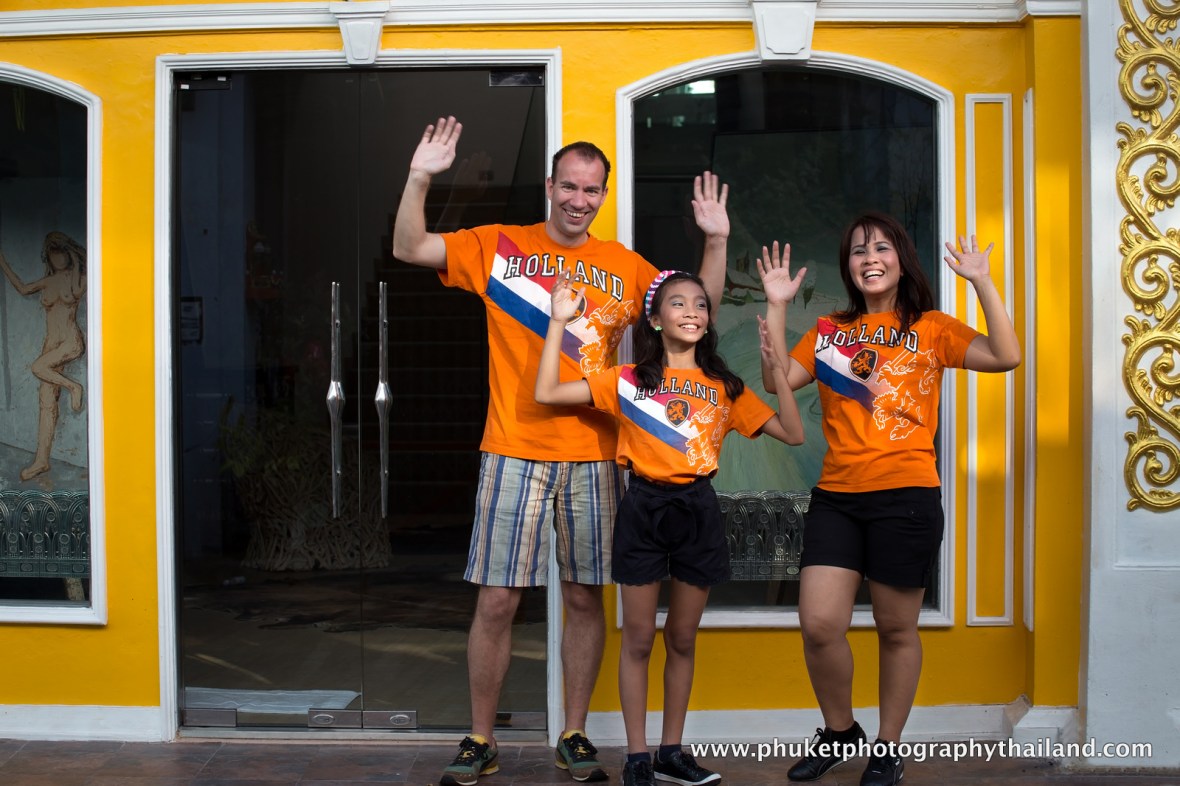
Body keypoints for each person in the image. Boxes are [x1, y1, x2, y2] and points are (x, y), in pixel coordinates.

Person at [391, 116, 731, 786]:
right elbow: (409, 247)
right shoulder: (499, 246)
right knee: (496, 601)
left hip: (594, 456)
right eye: (570, 186)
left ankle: (574, 734)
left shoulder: (623, 266)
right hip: (510, 449)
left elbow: (697, 309)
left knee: (583, 598)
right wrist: (420, 174)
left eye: (593, 190)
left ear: (603, 195)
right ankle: (479, 738)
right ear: (550, 186)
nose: (580, 199)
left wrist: (716, 240)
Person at [760, 213, 1021, 786]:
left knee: (895, 627)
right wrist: (778, 306)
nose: (869, 257)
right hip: (838, 496)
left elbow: (1007, 355)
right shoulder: (828, 331)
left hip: (906, 496)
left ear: (901, 259)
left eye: (880, 247)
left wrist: (981, 280)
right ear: (848, 267)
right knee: (819, 624)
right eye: (857, 251)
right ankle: (839, 730)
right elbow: (778, 379)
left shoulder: (930, 327)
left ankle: (887, 745)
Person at [537, 267, 806, 786]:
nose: (692, 312)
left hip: (698, 510)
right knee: (638, 638)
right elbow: (548, 390)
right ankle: (637, 756)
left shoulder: (724, 387)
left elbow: (793, 434)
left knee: (682, 637)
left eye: (700, 305)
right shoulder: (628, 380)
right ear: (656, 320)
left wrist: (776, 368)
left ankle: (670, 753)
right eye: (678, 304)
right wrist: (557, 323)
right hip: (642, 508)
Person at [0, 231, 87, 482]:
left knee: (38, 367)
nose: (56, 256)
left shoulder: (77, 278)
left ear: (67, 253)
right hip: (51, 345)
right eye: (51, 251)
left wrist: (75, 257)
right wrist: (3, 262)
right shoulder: (48, 282)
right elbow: (23, 288)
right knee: (46, 402)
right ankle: (42, 460)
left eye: (60, 251)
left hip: (70, 342)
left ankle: (73, 386)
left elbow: (81, 287)